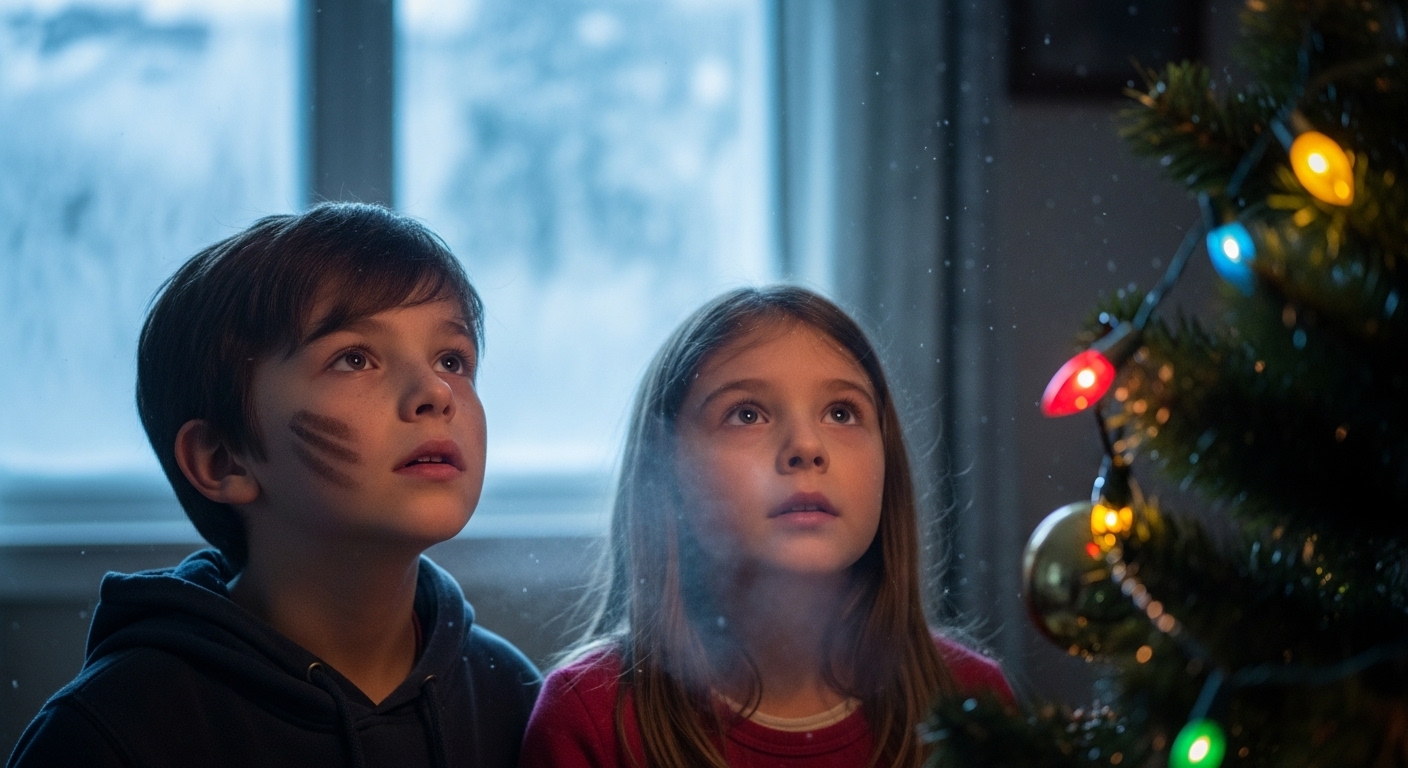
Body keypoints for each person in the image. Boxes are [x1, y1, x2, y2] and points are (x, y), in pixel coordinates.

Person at [7, 203, 540, 768]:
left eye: (452, 359)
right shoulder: (112, 731)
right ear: (223, 459)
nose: (436, 391)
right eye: (354, 358)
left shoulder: (511, 697)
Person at [519, 286, 1013, 768]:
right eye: (747, 414)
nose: (806, 446)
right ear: (666, 471)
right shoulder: (590, 717)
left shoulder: (971, 701)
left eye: (841, 412)